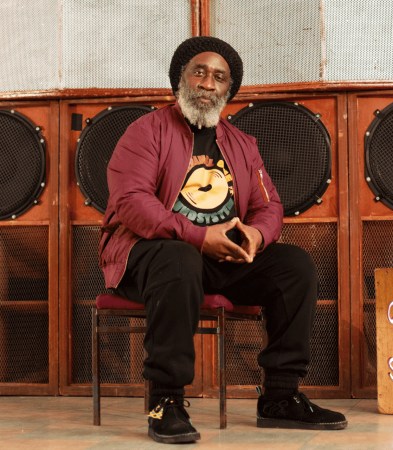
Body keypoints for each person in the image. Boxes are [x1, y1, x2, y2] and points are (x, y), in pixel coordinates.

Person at [99, 36, 347, 444]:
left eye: (219, 77)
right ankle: (166, 401)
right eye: (199, 72)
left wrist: (256, 235)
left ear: (228, 90)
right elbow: (131, 203)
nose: (208, 83)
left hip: (220, 258)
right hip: (148, 259)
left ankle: (280, 397)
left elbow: (269, 205)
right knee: (178, 259)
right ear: (180, 79)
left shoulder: (242, 144)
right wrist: (199, 237)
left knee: (294, 266)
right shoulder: (145, 131)